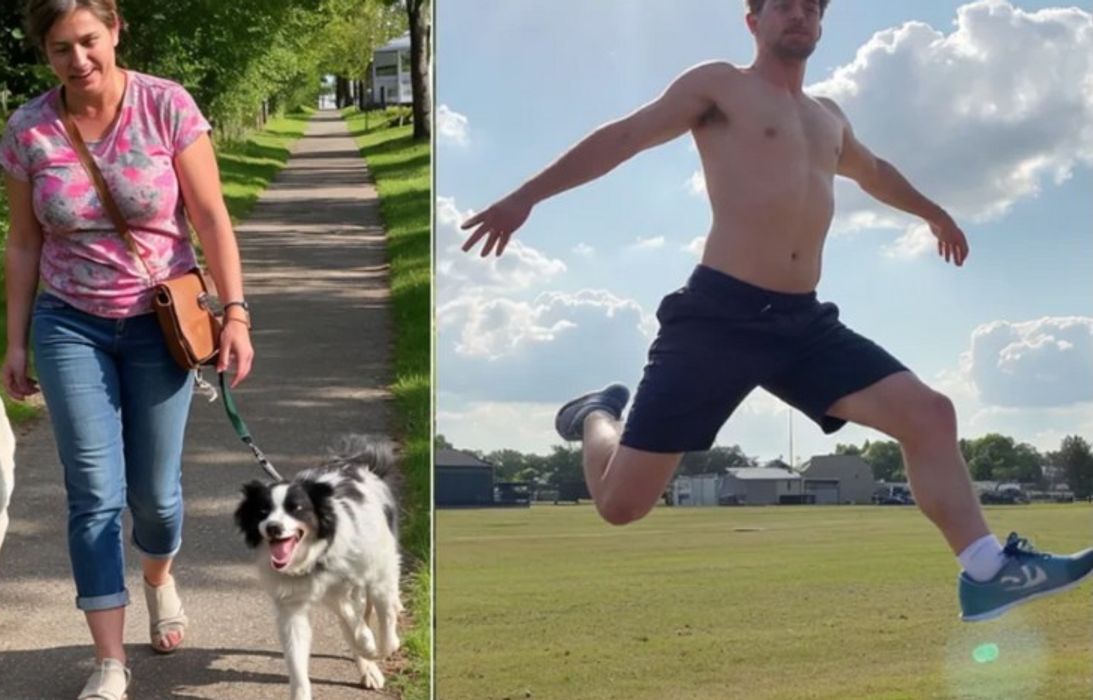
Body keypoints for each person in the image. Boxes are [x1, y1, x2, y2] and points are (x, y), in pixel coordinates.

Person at [460, 0, 1093, 623]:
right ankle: (596, 413)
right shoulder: (719, 87)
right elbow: (626, 136)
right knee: (623, 504)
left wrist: (934, 212)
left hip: (803, 323)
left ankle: (987, 573)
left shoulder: (828, 118)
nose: (801, 16)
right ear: (753, 21)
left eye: (813, 9)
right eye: (785, 6)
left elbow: (874, 173)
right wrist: (525, 198)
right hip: (718, 315)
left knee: (930, 413)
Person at [0, 1, 254, 697]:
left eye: (88, 41)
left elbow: (209, 217)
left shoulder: (166, 105)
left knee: (156, 497)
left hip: (158, 323)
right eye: (59, 49)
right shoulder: (29, 128)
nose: (78, 60)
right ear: (44, 53)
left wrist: (235, 314)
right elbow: (24, 243)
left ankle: (159, 580)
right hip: (67, 321)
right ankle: (109, 661)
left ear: (115, 32)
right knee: (93, 493)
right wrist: (14, 340)